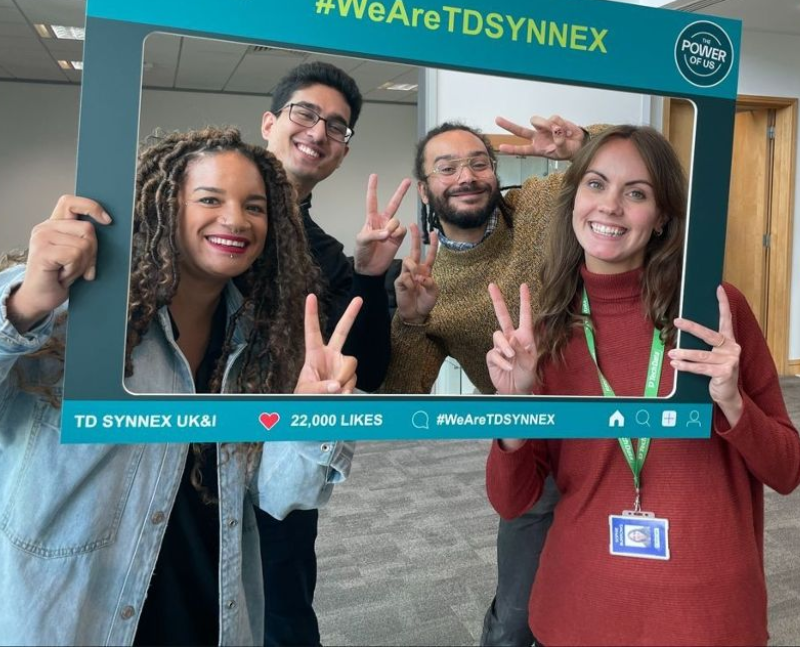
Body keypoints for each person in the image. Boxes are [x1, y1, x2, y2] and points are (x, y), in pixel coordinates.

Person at [0, 127, 361, 646]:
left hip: (210, 612)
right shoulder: (64, 308)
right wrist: (26, 305)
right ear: (165, 206)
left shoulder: (263, 341)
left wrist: (310, 416)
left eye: (255, 207)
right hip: (65, 615)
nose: (236, 220)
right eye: (209, 199)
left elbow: (280, 496)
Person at [485, 125, 800, 646]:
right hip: (578, 612)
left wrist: (732, 402)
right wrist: (512, 407)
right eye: (596, 184)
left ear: (660, 220)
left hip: (705, 615)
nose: (610, 206)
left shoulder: (713, 314)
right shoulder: (545, 333)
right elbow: (511, 500)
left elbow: (787, 470)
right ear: (573, 201)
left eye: (636, 193)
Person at [382, 115, 603, 646]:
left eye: (478, 162)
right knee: (517, 621)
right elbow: (404, 397)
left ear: (496, 169)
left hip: (608, 426)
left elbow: (634, 169)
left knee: (615, 593)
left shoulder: (537, 207)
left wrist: (584, 147)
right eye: (447, 167)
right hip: (529, 448)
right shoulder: (424, 281)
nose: (467, 176)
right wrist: (410, 320)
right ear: (427, 185)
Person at [259, 61, 409, 646]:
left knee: (283, 618)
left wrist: (370, 277)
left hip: (283, 467)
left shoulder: (325, 255)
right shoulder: (191, 221)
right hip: (184, 459)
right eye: (305, 113)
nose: (319, 132)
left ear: (343, 151)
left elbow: (366, 368)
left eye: (338, 127)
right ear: (270, 121)